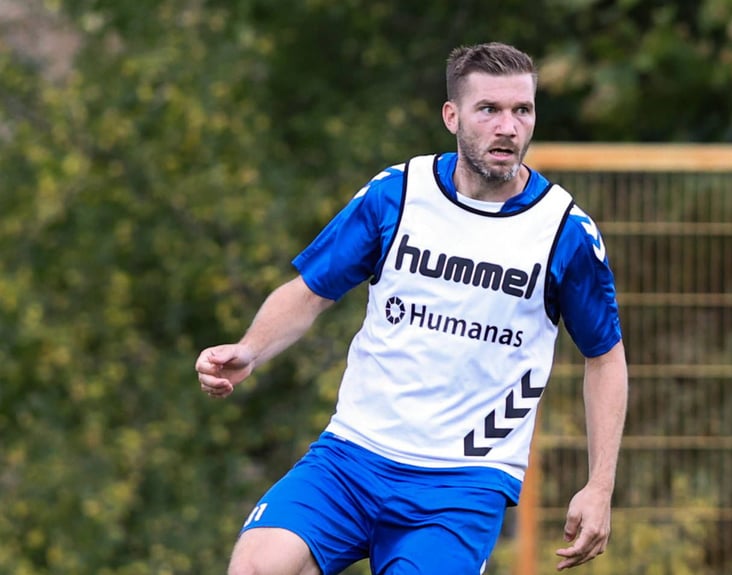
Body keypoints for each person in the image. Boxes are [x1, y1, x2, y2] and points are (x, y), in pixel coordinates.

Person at [195, 42, 628, 575]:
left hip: (462, 483)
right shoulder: (398, 194)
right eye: (488, 109)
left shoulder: (563, 232)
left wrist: (599, 485)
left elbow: (605, 358)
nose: (508, 127)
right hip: (352, 456)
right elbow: (310, 290)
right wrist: (249, 349)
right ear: (452, 115)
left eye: (522, 110)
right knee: (257, 567)